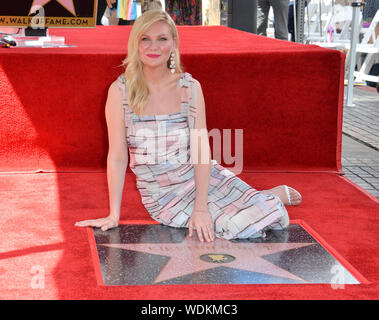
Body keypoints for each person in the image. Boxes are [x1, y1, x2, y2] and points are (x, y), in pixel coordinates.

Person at [75, 9, 302, 242]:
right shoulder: (120, 92)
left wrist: (201, 208)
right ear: (136, 44)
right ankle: (264, 198)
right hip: (163, 197)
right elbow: (117, 157)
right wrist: (114, 215)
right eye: (146, 39)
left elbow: (201, 151)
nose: (154, 47)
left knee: (247, 223)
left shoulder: (189, 88)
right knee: (236, 226)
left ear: (173, 43)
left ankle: (264, 198)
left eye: (162, 39)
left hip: (202, 178)